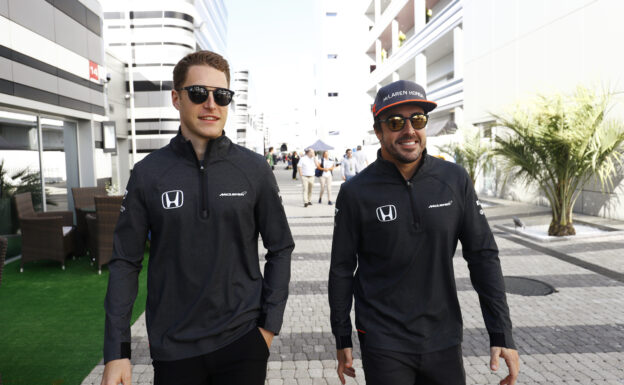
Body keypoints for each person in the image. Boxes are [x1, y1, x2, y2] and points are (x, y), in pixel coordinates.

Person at [101, 51, 294, 385]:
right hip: (174, 350)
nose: (211, 104)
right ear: (176, 98)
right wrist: (117, 351)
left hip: (243, 343)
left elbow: (281, 247)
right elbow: (125, 262)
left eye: (221, 95)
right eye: (198, 93)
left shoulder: (254, 169)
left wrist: (268, 326)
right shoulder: (148, 173)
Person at [328, 80, 519, 385]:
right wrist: (342, 336)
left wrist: (502, 333)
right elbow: (341, 269)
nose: (409, 130)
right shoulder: (355, 192)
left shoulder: (454, 179)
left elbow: (483, 256)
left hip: (443, 337)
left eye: (417, 120)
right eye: (395, 122)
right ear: (378, 131)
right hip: (382, 340)